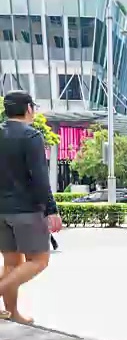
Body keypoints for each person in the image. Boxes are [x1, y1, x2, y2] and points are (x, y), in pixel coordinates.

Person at [0, 90, 63, 323]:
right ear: (28, 109)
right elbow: (39, 176)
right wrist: (51, 209)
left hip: (1, 211)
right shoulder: (31, 136)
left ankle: (12, 314)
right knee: (39, 261)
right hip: (26, 210)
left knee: (11, 263)